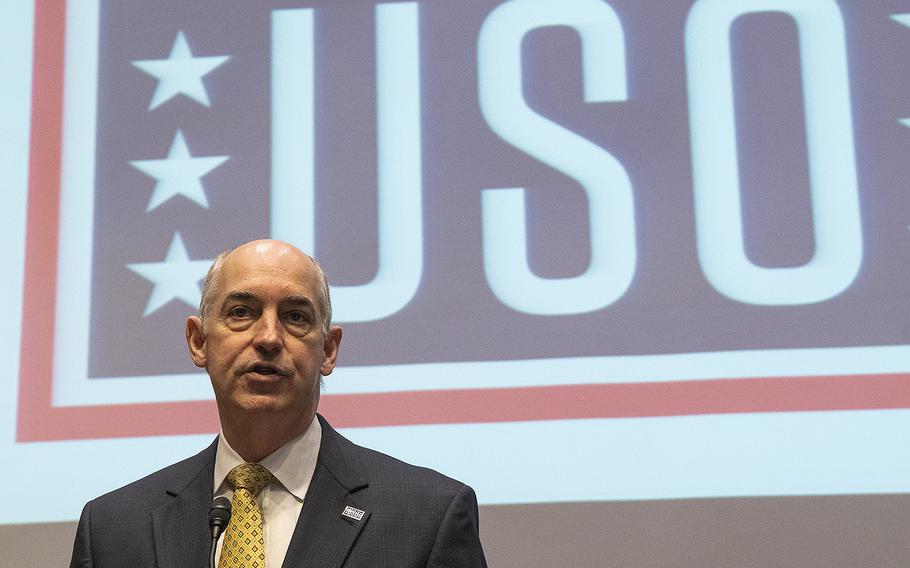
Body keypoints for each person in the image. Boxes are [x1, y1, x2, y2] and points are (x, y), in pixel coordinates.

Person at [70, 239, 487, 568]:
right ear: (199, 341)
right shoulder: (113, 528)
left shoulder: (427, 518)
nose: (269, 337)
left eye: (295, 316)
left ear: (328, 350)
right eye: (241, 311)